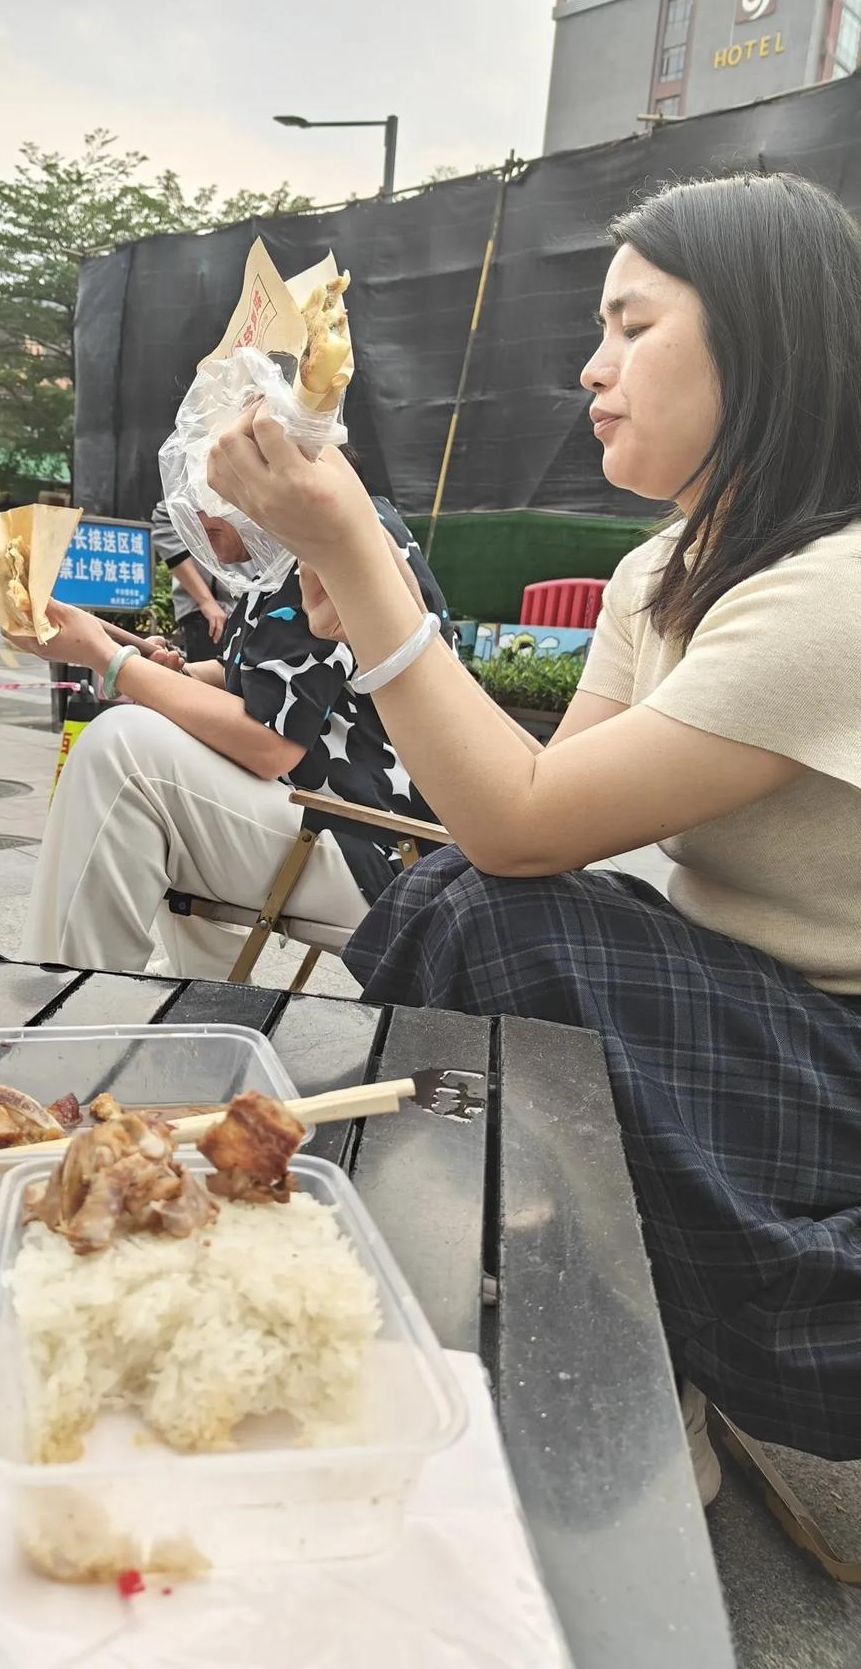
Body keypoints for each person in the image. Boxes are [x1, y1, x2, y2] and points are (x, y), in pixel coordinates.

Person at [206, 171, 861, 1489]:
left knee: (494, 912)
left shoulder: (833, 590)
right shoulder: (659, 572)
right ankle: (489, 1295)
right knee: (470, 900)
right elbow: (536, 812)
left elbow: (518, 830)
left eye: (634, 325)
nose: (590, 367)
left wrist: (361, 557)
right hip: (756, 1018)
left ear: (764, 335)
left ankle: (512, 1307)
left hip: (833, 1069)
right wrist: (358, 580)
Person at [15, 500, 454, 980]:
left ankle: (68, 1001)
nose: (196, 514)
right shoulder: (309, 534)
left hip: (381, 850)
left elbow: (270, 743)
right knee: (167, 747)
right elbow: (254, 679)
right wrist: (171, 671)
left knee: (123, 753)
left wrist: (108, 659)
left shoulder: (320, 539)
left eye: (208, 489)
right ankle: (194, 991)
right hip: (370, 832)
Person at [149, 498, 237, 662]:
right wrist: (206, 601)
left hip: (255, 606)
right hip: (214, 613)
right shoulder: (200, 484)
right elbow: (166, 516)